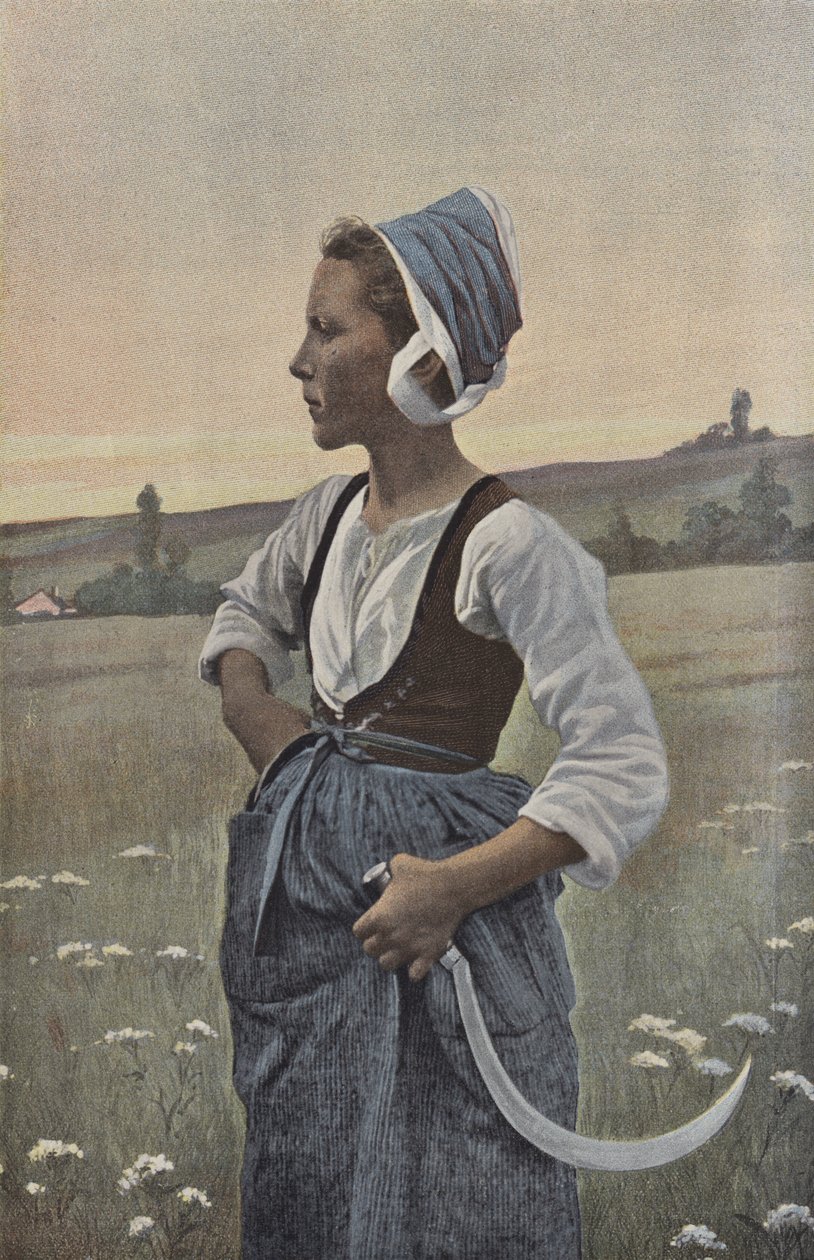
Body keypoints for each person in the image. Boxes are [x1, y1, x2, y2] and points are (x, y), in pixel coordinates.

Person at [199, 187, 669, 1259]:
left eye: (326, 331)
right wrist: (262, 724)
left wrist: (453, 886)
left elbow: (622, 761)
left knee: (460, 1191)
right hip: (315, 938)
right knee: (316, 1182)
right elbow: (242, 617)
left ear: (420, 360)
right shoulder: (321, 518)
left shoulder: (513, 547)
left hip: (445, 940)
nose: (297, 361)